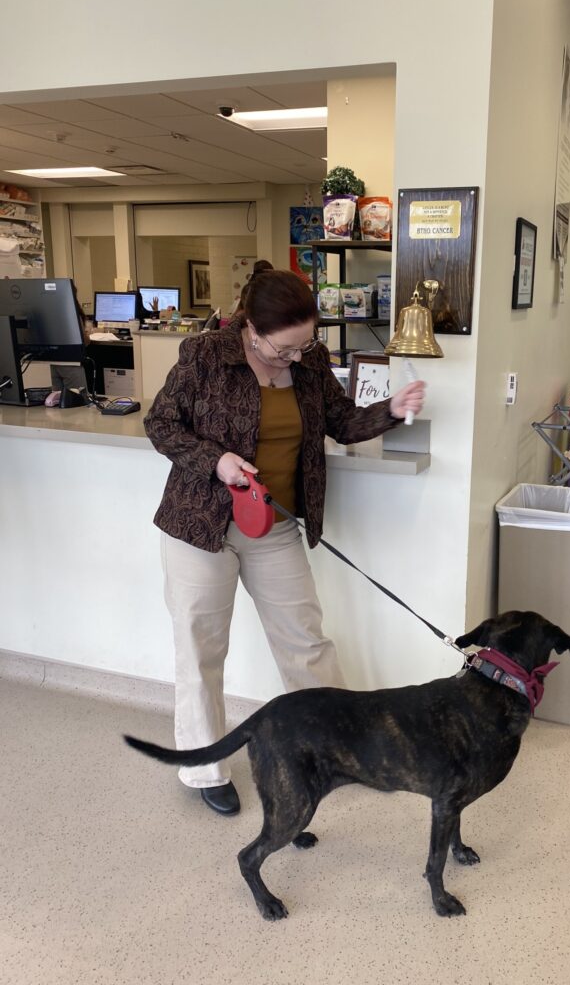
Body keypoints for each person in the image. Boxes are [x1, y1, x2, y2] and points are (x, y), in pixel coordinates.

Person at [144, 262, 425, 816]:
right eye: (285, 351)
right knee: (201, 650)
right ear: (251, 328)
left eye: (306, 347)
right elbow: (161, 424)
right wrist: (216, 459)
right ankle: (204, 770)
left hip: (272, 526)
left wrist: (390, 411)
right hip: (199, 528)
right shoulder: (204, 355)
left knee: (307, 643)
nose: (297, 359)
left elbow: (340, 422)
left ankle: (338, 748)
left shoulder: (311, 359)